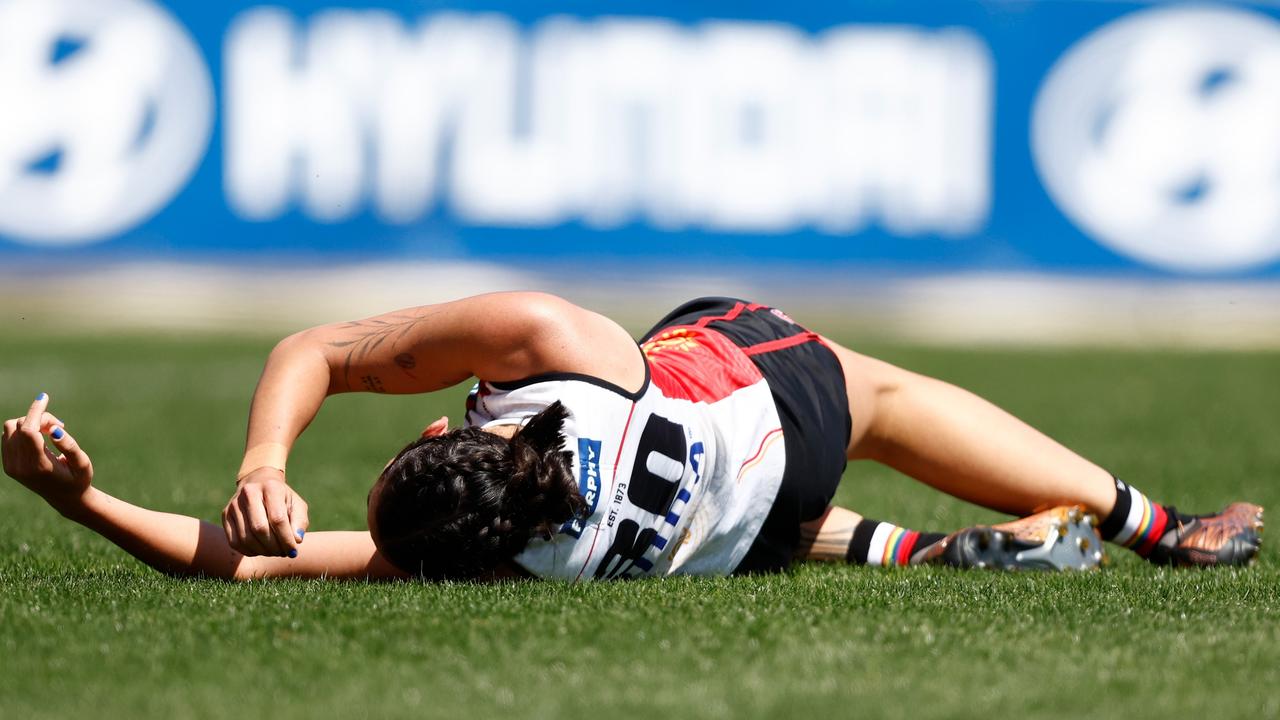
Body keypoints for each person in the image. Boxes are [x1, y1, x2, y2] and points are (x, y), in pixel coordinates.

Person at [1, 293, 1264, 582]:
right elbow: (321, 353)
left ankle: (927, 554)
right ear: (452, 433)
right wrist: (261, 461)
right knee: (866, 392)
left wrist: (79, 505)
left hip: (732, 530)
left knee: (715, 513)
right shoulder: (563, 350)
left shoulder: (503, 562)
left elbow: (233, 570)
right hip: (786, 413)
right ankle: (1147, 519)